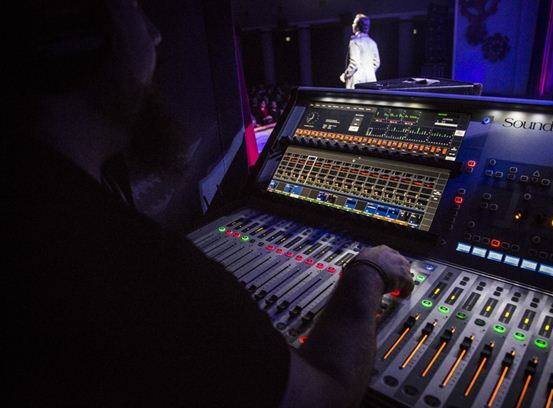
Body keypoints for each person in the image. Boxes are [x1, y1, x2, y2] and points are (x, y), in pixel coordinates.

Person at [13, 1, 414, 406]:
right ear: (75, 36)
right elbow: (326, 398)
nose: (155, 33)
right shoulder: (132, 272)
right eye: (133, 8)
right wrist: (366, 273)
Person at [340, 14, 381, 89]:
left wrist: (345, 76)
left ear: (357, 26)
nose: (352, 25)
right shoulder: (373, 43)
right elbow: (377, 63)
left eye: (354, 23)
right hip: (371, 80)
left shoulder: (355, 41)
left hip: (356, 81)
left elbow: (354, 64)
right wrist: (368, 71)